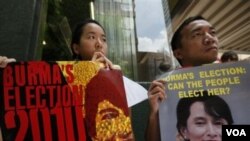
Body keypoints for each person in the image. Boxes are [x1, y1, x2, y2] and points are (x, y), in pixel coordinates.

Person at [146, 15, 219, 141]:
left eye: (212, 33)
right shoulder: (165, 88)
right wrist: (155, 114)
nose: (210, 39)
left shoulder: (239, 81)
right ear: (178, 53)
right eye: (197, 34)